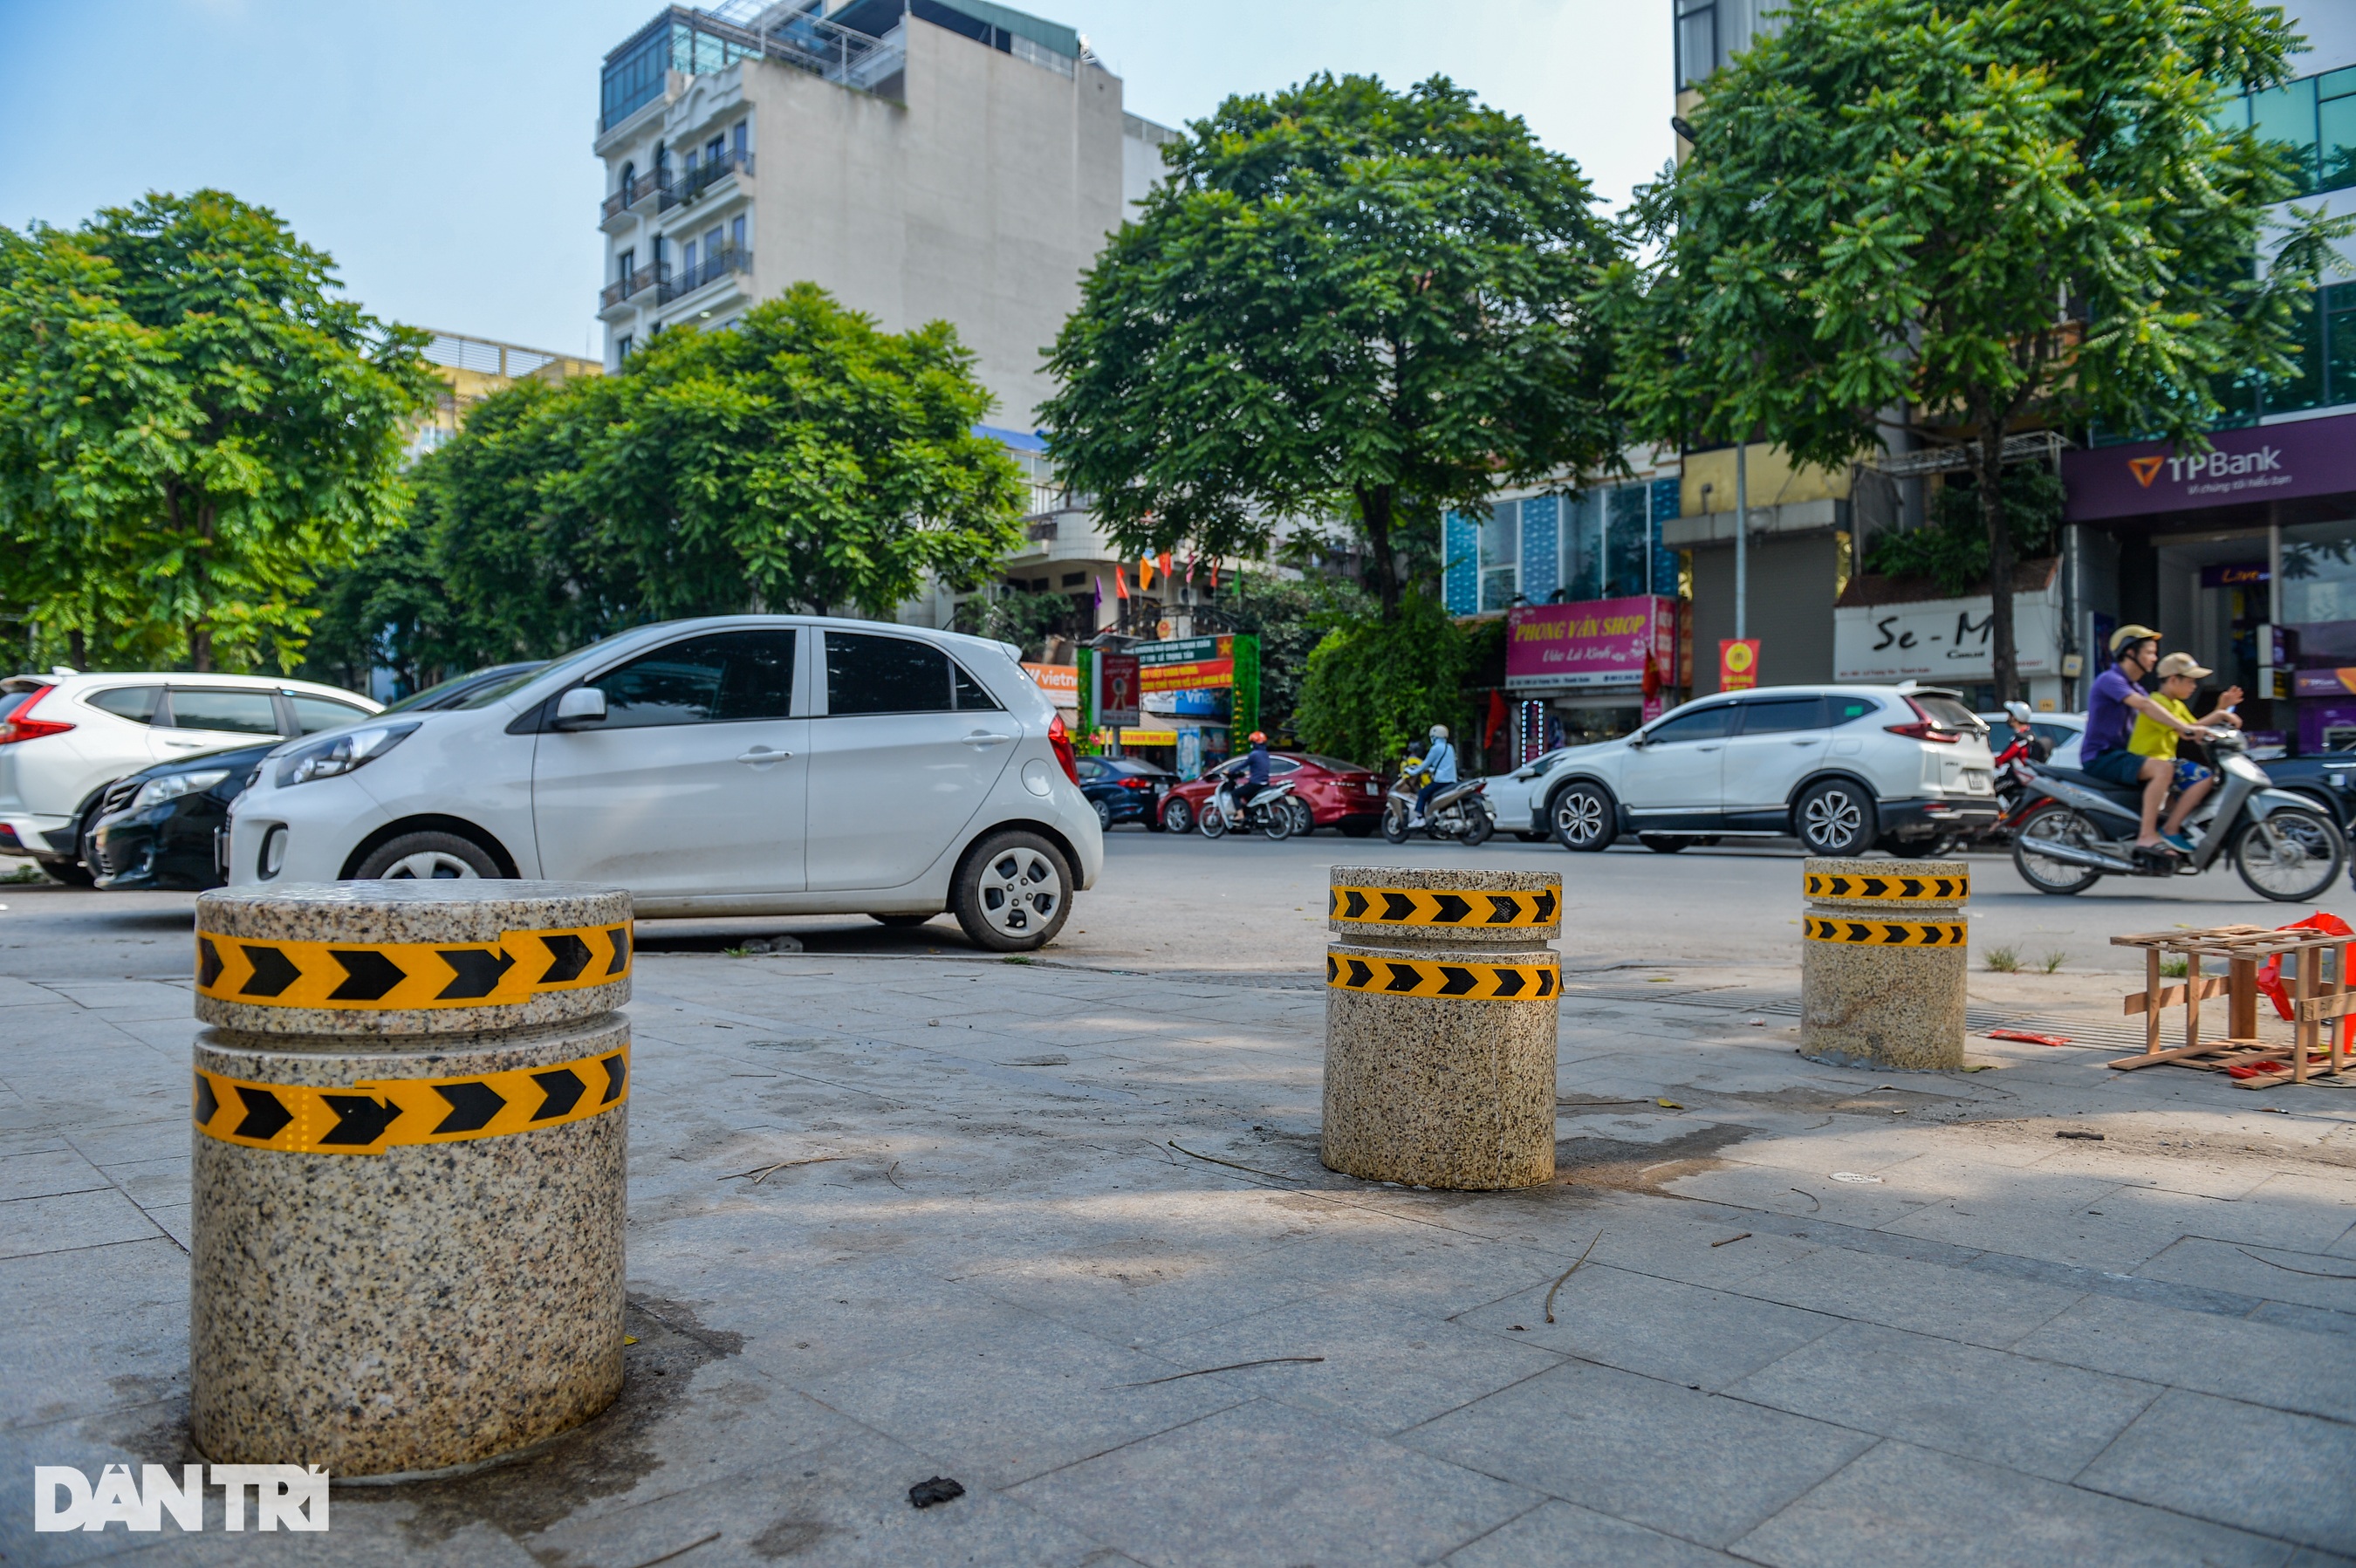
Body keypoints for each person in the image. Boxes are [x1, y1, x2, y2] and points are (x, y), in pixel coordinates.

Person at [2081, 626, 2216, 853]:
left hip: (2124, 756)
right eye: (2149, 652)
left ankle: (2170, 832)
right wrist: (2181, 726)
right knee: (2163, 769)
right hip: (2102, 756)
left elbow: (2173, 721)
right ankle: (2146, 836)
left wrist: (2195, 728)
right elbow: (2145, 706)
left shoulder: (2138, 688)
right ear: (2130, 653)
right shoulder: (2111, 680)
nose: (2154, 659)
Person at [2127, 652, 2243, 852]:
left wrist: (2221, 708)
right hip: (2150, 761)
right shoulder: (2158, 702)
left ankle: (2176, 826)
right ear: (2173, 680)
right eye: (2190, 681)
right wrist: (2220, 713)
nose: (2194, 687)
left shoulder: (2175, 704)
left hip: (2166, 760)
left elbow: (2194, 728)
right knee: (2204, 778)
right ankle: (2171, 829)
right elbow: (2186, 730)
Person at [1219, 731, 1271, 824]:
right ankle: (1250, 815)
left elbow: (1242, 765)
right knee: (1248, 798)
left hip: (1255, 783)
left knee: (1235, 794)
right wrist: (1248, 772)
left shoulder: (1254, 754)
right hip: (1265, 783)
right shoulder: (1265, 754)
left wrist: (1230, 771)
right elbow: (1259, 767)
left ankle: (1240, 815)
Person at [1413, 723, 1455, 826]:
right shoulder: (1450, 747)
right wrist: (1431, 770)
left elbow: (1424, 765)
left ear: (1434, 737)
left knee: (1423, 793)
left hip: (1441, 781)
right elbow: (1445, 765)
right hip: (1452, 780)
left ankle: (1419, 818)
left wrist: (1411, 772)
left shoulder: (1436, 748)